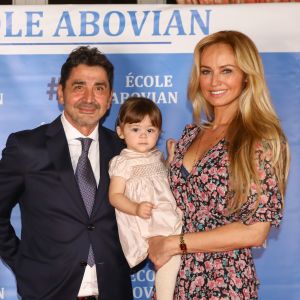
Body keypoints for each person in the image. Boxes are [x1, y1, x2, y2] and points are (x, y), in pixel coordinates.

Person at [148, 30, 290, 299]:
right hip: (175, 278)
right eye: (206, 71)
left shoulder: (260, 139)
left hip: (224, 282)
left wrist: (174, 244)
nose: (214, 81)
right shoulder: (191, 135)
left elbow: (256, 231)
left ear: (246, 76)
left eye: (226, 71)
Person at [0, 46, 133, 300]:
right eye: (79, 86)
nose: (89, 98)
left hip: (114, 291)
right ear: (61, 93)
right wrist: (24, 265)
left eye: (99, 88)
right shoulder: (27, 147)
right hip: (48, 292)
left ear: (110, 98)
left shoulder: (123, 149)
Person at [108, 97, 182, 300]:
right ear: (121, 131)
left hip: (166, 215)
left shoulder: (156, 156)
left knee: (180, 259)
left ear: (158, 133)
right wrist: (136, 208)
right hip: (148, 223)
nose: (143, 135)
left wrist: (171, 159)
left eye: (150, 130)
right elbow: (115, 196)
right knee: (169, 260)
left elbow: (162, 179)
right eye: (135, 129)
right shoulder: (122, 162)